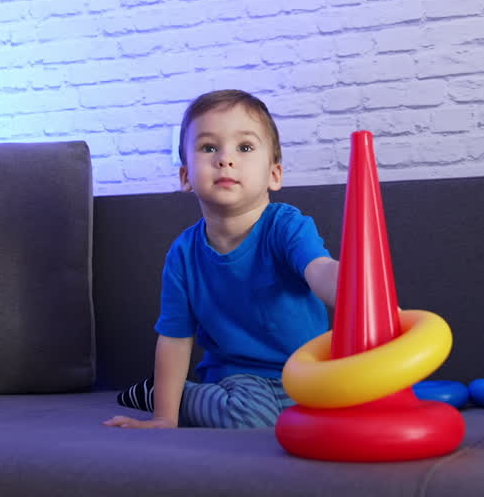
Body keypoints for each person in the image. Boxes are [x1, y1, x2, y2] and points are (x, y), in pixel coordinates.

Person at [103, 89, 339, 429]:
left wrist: (350, 284)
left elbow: (319, 270)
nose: (225, 159)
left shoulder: (287, 226)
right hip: (240, 383)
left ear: (275, 174)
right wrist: (165, 418)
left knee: (350, 404)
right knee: (249, 417)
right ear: (185, 176)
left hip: (309, 371)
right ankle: (171, 396)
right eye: (208, 147)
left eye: (244, 147)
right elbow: (174, 337)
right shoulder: (183, 254)